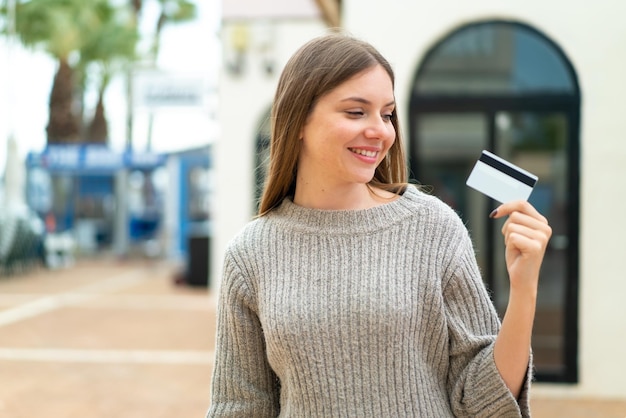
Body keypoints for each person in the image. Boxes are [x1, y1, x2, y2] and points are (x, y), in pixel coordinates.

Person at [207, 32, 552, 417]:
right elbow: (239, 406)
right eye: (356, 112)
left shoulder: (434, 227)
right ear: (299, 119)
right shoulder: (250, 253)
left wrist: (524, 291)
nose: (380, 131)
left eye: (387, 114)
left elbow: (484, 402)